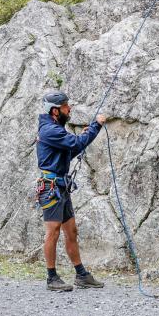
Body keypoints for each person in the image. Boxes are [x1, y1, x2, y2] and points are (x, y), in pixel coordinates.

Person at [37, 91, 106, 291]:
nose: (70, 109)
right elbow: (76, 144)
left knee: (71, 231)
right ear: (55, 110)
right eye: (66, 106)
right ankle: (51, 277)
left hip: (60, 187)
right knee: (53, 232)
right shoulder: (50, 130)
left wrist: (87, 135)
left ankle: (81, 274)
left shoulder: (55, 128)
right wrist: (96, 126)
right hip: (51, 188)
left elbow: (72, 150)